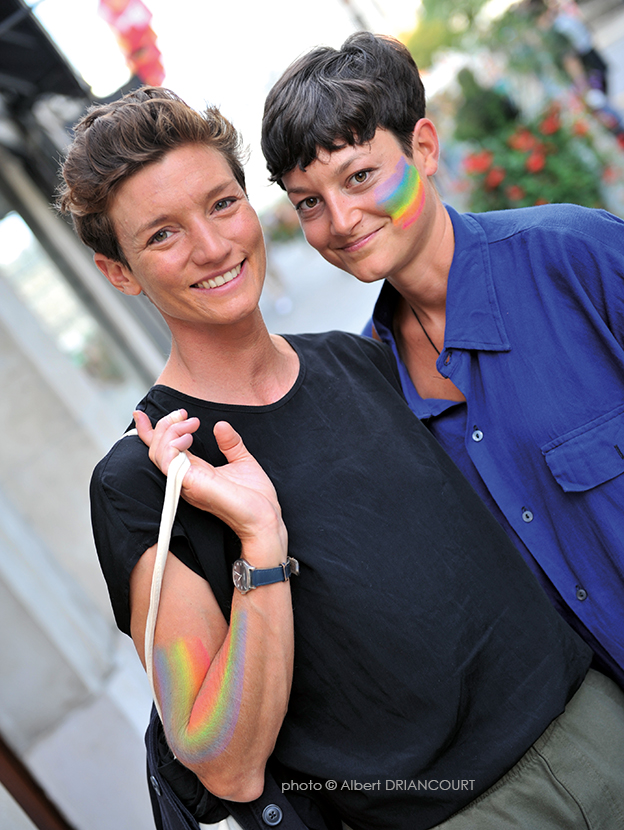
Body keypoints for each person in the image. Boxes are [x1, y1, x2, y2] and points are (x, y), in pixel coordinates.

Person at [58, 87, 624, 830]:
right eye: (162, 234)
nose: (212, 246)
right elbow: (220, 761)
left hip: (598, 726)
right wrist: (262, 548)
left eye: (222, 204)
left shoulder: (365, 360)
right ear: (119, 271)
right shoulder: (144, 480)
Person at [261, 30, 624, 688]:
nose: (340, 220)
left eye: (361, 176)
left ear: (423, 148)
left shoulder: (577, 257)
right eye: (308, 202)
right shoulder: (374, 387)